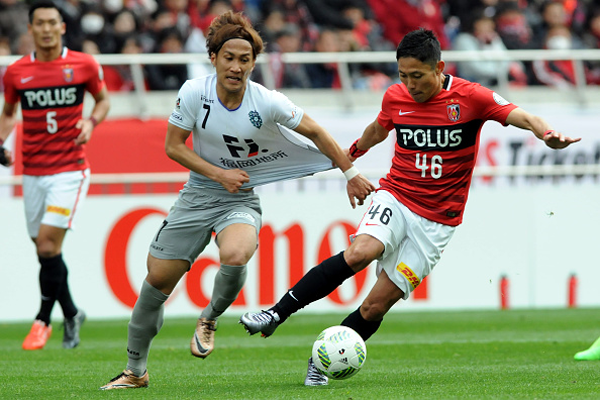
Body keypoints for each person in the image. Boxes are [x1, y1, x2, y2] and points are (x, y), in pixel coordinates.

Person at [239, 28, 581, 386]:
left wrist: (547, 135)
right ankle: (276, 313)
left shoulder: (471, 97)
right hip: (397, 196)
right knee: (360, 252)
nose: (410, 84)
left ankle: (320, 363)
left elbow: (523, 116)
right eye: (403, 75)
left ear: (439, 68)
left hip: (437, 222)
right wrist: (349, 157)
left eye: (417, 76)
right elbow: (378, 129)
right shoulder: (395, 96)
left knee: (374, 307)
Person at [99, 10, 374, 390]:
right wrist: (219, 173)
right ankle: (135, 371)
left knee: (237, 252)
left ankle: (209, 317)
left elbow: (317, 132)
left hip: (239, 197)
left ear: (253, 63)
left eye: (245, 60)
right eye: (229, 57)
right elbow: (173, 147)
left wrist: (350, 173)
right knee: (155, 284)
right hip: (198, 193)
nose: (236, 66)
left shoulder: (267, 100)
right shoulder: (195, 92)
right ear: (214, 58)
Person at [0, 0, 110, 350]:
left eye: (52, 22)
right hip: (32, 172)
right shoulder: (17, 72)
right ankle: (72, 312)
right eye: (40, 23)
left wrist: (90, 122)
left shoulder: (83, 64)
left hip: (70, 170)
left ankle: (42, 320)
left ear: (62, 27)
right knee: (46, 252)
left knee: (47, 245)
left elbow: (103, 100)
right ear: (30, 29)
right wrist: (1, 141)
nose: (46, 29)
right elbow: (8, 112)